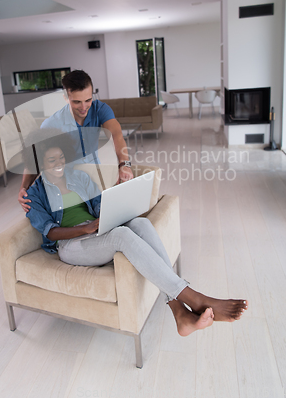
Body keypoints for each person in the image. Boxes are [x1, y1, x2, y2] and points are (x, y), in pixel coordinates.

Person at [25, 133, 248, 337]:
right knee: (122, 235)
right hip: (70, 244)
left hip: (95, 230)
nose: (59, 164)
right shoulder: (34, 194)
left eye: (61, 158)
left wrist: (115, 201)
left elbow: (99, 204)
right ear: (40, 164)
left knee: (140, 222)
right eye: (51, 161)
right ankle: (194, 298)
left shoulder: (78, 178)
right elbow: (50, 231)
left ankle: (179, 312)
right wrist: (86, 228)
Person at [18, 70, 133, 212]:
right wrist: (24, 187)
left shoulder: (100, 109)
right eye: (77, 102)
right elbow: (35, 159)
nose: (84, 107)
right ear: (66, 97)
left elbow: (117, 135)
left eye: (88, 100)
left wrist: (124, 164)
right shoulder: (52, 124)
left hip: (95, 177)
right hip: (70, 184)